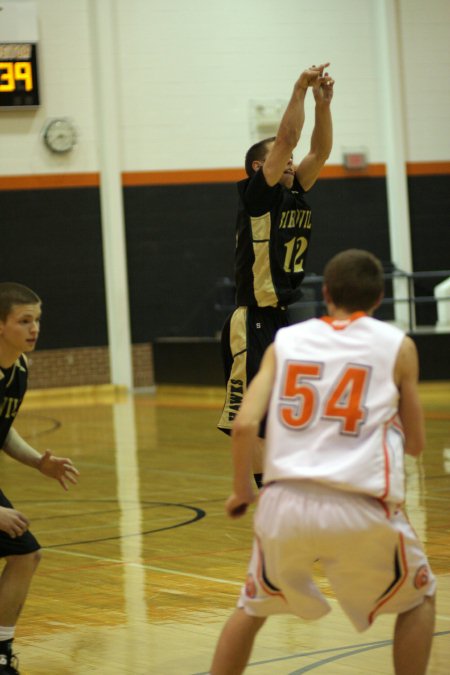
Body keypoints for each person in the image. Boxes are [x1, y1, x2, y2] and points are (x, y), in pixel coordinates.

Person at [210, 249, 436, 675]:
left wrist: (242, 491)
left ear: (326, 292)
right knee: (420, 598)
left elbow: (243, 426)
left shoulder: (286, 342)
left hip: (284, 503)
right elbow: (417, 444)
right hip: (360, 502)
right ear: (379, 298)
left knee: (252, 608)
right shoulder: (397, 345)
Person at [217, 62, 334, 488]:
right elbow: (288, 139)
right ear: (257, 168)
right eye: (279, 161)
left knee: (288, 413)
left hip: (284, 317)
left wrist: (323, 104)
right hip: (252, 317)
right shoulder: (257, 196)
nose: (289, 164)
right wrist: (300, 89)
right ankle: (265, 500)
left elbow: (318, 152)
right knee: (253, 417)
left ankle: (284, 492)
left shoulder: (294, 192)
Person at [0, 282, 79, 675]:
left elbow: (2, 428)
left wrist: (37, 462)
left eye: (37, 320)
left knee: (25, 553)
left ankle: (0, 651)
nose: (34, 329)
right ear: (0, 326)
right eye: (24, 321)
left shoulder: (19, 369)